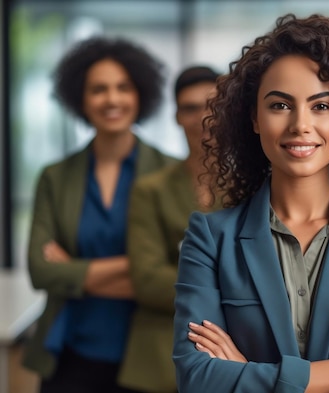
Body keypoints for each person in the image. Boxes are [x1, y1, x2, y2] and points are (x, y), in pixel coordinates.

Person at [172, 13, 329, 393]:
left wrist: (250, 374)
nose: (300, 124)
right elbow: (197, 379)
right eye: (280, 105)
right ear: (254, 118)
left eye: (322, 106)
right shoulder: (210, 239)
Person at [23, 37, 178, 393]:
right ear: (80, 98)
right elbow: (40, 269)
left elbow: (181, 276)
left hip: (149, 359)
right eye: (99, 89)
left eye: (123, 87)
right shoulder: (56, 177)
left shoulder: (170, 175)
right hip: (70, 355)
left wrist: (74, 270)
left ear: (141, 95)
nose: (112, 99)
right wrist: (140, 267)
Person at [117, 66, 222, 392]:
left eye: (211, 106)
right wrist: (231, 286)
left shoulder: (255, 188)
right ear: (176, 116)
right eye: (189, 108)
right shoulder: (151, 190)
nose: (201, 117)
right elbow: (147, 280)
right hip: (157, 361)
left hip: (233, 357)